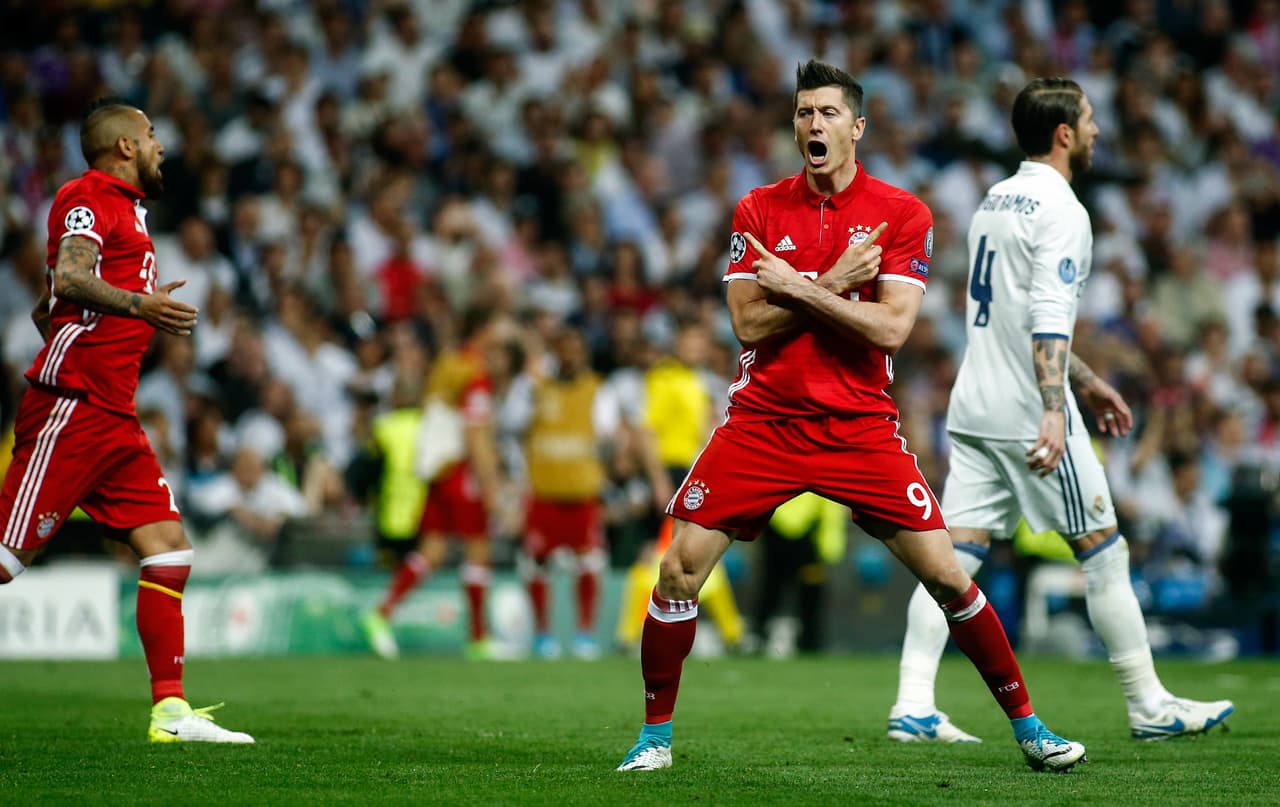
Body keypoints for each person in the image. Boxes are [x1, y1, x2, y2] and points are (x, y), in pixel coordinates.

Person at [616, 61, 1085, 774]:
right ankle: (653, 740)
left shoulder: (903, 214)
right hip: (763, 422)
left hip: (858, 427)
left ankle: (1030, 728)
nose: (813, 124)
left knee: (950, 576)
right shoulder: (757, 209)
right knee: (678, 569)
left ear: (856, 127)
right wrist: (835, 282)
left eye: (829, 113)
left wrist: (800, 286)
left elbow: (890, 329)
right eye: (804, 112)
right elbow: (747, 324)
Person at [887, 77, 1233, 744]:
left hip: (976, 402)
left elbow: (1012, 315)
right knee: (1104, 550)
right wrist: (1056, 407)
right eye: (1091, 119)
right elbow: (1046, 319)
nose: (1099, 130)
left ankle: (912, 703)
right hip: (1027, 412)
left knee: (953, 560)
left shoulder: (995, 198)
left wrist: (1087, 376)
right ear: (1065, 133)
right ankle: (1148, 703)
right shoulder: (1064, 209)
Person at [0, 100, 252, 743]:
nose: (160, 145)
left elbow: (52, 299)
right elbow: (71, 276)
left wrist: (97, 310)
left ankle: (170, 714)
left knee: (169, 549)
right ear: (123, 148)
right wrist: (138, 305)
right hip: (73, 407)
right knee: (5, 558)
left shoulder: (131, 213)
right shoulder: (87, 196)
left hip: (114, 415)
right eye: (150, 135)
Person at [362, 307, 503, 660]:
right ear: (483, 331)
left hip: (437, 469)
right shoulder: (475, 372)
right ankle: (478, 639)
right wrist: (490, 485)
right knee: (477, 550)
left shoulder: (445, 366)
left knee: (433, 551)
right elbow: (475, 432)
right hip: (459, 468)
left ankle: (381, 614)